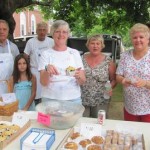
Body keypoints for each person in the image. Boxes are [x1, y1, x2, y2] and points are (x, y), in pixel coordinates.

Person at [38, 20, 86, 104]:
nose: (61, 35)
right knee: (47, 117)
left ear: (68, 35)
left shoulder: (74, 53)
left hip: (73, 99)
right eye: (57, 31)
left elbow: (82, 81)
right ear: (52, 34)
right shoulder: (45, 54)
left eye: (64, 32)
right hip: (50, 99)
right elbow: (43, 82)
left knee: (74, 118)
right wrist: (46, 70)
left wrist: (78, 76)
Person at [116, 23, 150, 122]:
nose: (138, 40)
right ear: (131, 40)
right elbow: (118, 75)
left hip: (148, 109)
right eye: (135, 37)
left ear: (148, 39)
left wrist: (146, 83)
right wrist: (123, 80)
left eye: (141, 37)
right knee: (131, 135)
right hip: (130, 107)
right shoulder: (125, 56)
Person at [81, 34, 117, 118]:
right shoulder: (81, 59)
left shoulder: (108, 61)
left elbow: (114, 80)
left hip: (101, 99)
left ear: (102, 46)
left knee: (99, 124)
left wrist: (110, 87)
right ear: (88, 45)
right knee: (82, 124)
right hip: (82, 99)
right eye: (92, 43)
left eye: (98, 44)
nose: (95, 46)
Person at [24, 22, 54, 105]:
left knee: (47, 95)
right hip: (35, 72)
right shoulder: (31, 42)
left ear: (47, 31)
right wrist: (28, 69)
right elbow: (25, 56)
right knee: (35, 95)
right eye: (40, 30)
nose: (42, 32)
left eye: (44, 30)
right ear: (36, 31)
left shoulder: (51, 41)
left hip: (48, 72)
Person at [0, 19, 19, 97]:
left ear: (8, 31)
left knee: (9, 108)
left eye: (4, 29)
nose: (2, 31)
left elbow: (19, 67)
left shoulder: (13, 47)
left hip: (11, 85)